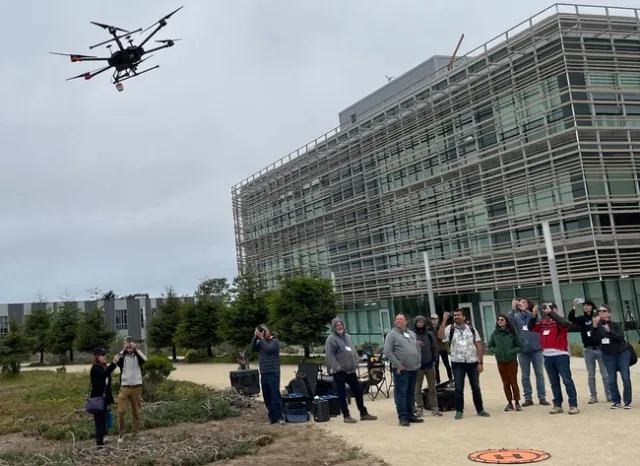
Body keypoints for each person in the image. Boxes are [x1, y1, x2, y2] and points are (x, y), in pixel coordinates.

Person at [528, 304, 579, 415]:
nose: (547, 310)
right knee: (554, 382)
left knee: (567, 380)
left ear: (556, 309)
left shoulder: (560, 321)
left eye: (550, 308)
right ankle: (557, 404)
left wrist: (551, 313)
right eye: (546, 308)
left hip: (560, 354)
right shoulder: (543, 323)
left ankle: (573, 405)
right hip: (547, 355)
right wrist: (534, 315)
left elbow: (566, 324)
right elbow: (530, 327)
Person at [439, 309, 490, 420]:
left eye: (459, 315)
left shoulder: (471, 329)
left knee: (476, 387)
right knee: (458, 388)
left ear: (464, 317)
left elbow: (479, 346)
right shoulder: (450, 329)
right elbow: (441, 336)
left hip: (472, 362)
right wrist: (443, 321)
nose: (456, 316)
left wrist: (481, 362)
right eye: (455, 315)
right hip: (457, 363)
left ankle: (480, 409)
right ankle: (459, 411)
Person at [325, 318, 377, 423]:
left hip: (351, 370)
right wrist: (338, 368)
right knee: (342, 393)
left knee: (358, 391)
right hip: (339, 371)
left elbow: (351, 351)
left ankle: (363, 413)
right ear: (334, 327)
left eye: (341, 324)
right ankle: (346, 415)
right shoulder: (331, 339)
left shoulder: (348, 337)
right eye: (337, 325)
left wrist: (357, 360)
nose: (340, 327)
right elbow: (330, 356)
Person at [568, 298, 611, 404]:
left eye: (588, 305)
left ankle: (609, 395)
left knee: (605, 374)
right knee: (591, 374)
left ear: (592, 307)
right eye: (584, 305)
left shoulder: (598, 317)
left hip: (600, 348)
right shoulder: (582, 319)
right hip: (588, 349)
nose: (586, 307)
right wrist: (574, 306)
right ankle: (593, 396)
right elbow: (571, 318)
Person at [508, 298, 549, 407]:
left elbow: (536, 319)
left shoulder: (534, 314)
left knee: (539, 374)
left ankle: (542, 397)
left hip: (537, 349)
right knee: (525, 375)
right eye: (520, 303)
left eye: (524, 302)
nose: (522, 304)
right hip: (523, 350)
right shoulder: (517, 316)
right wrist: (513, 308)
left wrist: (525, 310)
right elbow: (509, 321)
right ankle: (528, 398)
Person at [383, 314, 423, 427]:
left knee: (410, 393)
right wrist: (398, 365)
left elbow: (417, 348)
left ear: (406, 321)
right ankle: (403, 417)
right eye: (397, 319)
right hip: (401, 370)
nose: (399, 321)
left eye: (401, 319)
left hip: (413, 368)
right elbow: (387, 351)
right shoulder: (391, 335)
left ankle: (411, 415)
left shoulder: (412, 334)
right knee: (402, 393)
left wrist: (418, 362)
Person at [591, 305, 632, 409]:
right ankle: (616, 401)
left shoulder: (616, 324)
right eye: (599, 311)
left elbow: (621, 338)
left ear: (609, 313)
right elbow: (594, 339)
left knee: (625, 378)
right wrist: (595, 326)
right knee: (611, 379)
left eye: (603, 311)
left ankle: (627, 402)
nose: (601, 313)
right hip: (607, 354)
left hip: (622, 353)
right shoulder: (597, 325)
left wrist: (609, 331)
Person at [488, 314, 523, 411]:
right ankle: (509, 402)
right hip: (500, 361)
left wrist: (511, 351)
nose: (500, 321)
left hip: (511, 361)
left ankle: (517, 402)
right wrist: (495, 351)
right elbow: (490, 345)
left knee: (513, 382)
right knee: (505, 383)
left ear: (506, 321)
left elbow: (520, 346)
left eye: (502, 319)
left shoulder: (511, 334)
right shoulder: (494, 334)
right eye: (498, 320)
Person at [116, 337, 147, 443]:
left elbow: (145, 360)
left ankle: (135, 434)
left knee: (136, 412)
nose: (129, 347)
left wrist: (136, 349)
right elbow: (116, 361)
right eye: (127, 345)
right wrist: (123, 350)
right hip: (124, 387)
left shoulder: (137, 356)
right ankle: (121, 433)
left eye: (130, 345)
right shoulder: (122, 356)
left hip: (136, 387)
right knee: (121, 411)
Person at [251, 324, 284, 425]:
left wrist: (261, 339)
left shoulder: (274, 341)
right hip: (264, 372)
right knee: (267, 396)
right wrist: (255, 337)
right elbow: (253, 348)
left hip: (273, 372)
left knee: (275, 395)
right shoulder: (261, 341)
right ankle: (272, 418)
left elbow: (268, 349)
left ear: (268, 331)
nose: (262, 332)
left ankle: (279, 417)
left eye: (263, 330)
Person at [89, 348, 120, 447]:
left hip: (104, 399)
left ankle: (101, 438)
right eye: (103, 355)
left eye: (105, 354)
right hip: (97, 399)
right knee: (99, 421)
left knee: (104, 420)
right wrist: (114, 363)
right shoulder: (95, 369)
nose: (105, 356)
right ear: (97, 357)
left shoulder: (102, 367)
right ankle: (99, 442)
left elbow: (107, 384)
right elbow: (104, 375)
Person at [413, 315, 442, 417]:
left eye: (421, 322)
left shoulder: (429, 334)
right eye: (418, 322)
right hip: (418, 366)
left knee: (432, 387)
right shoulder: (412, 335)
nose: (420, 324)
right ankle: (419, 407)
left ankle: (434, 406)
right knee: (417, 388)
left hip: (429, 364)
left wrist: (435, 360)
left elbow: (434, 348)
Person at [431, 313, 452, 383]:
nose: (433, 320)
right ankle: (438, 381)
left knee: (447, 364)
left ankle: (450, 379)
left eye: (435, 319)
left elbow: (444, 337)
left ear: (438, 320)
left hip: (442, 348)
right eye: (432, 319)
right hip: (435, 350)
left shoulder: (441, 327)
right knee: (436, 366)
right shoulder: (429, 329)